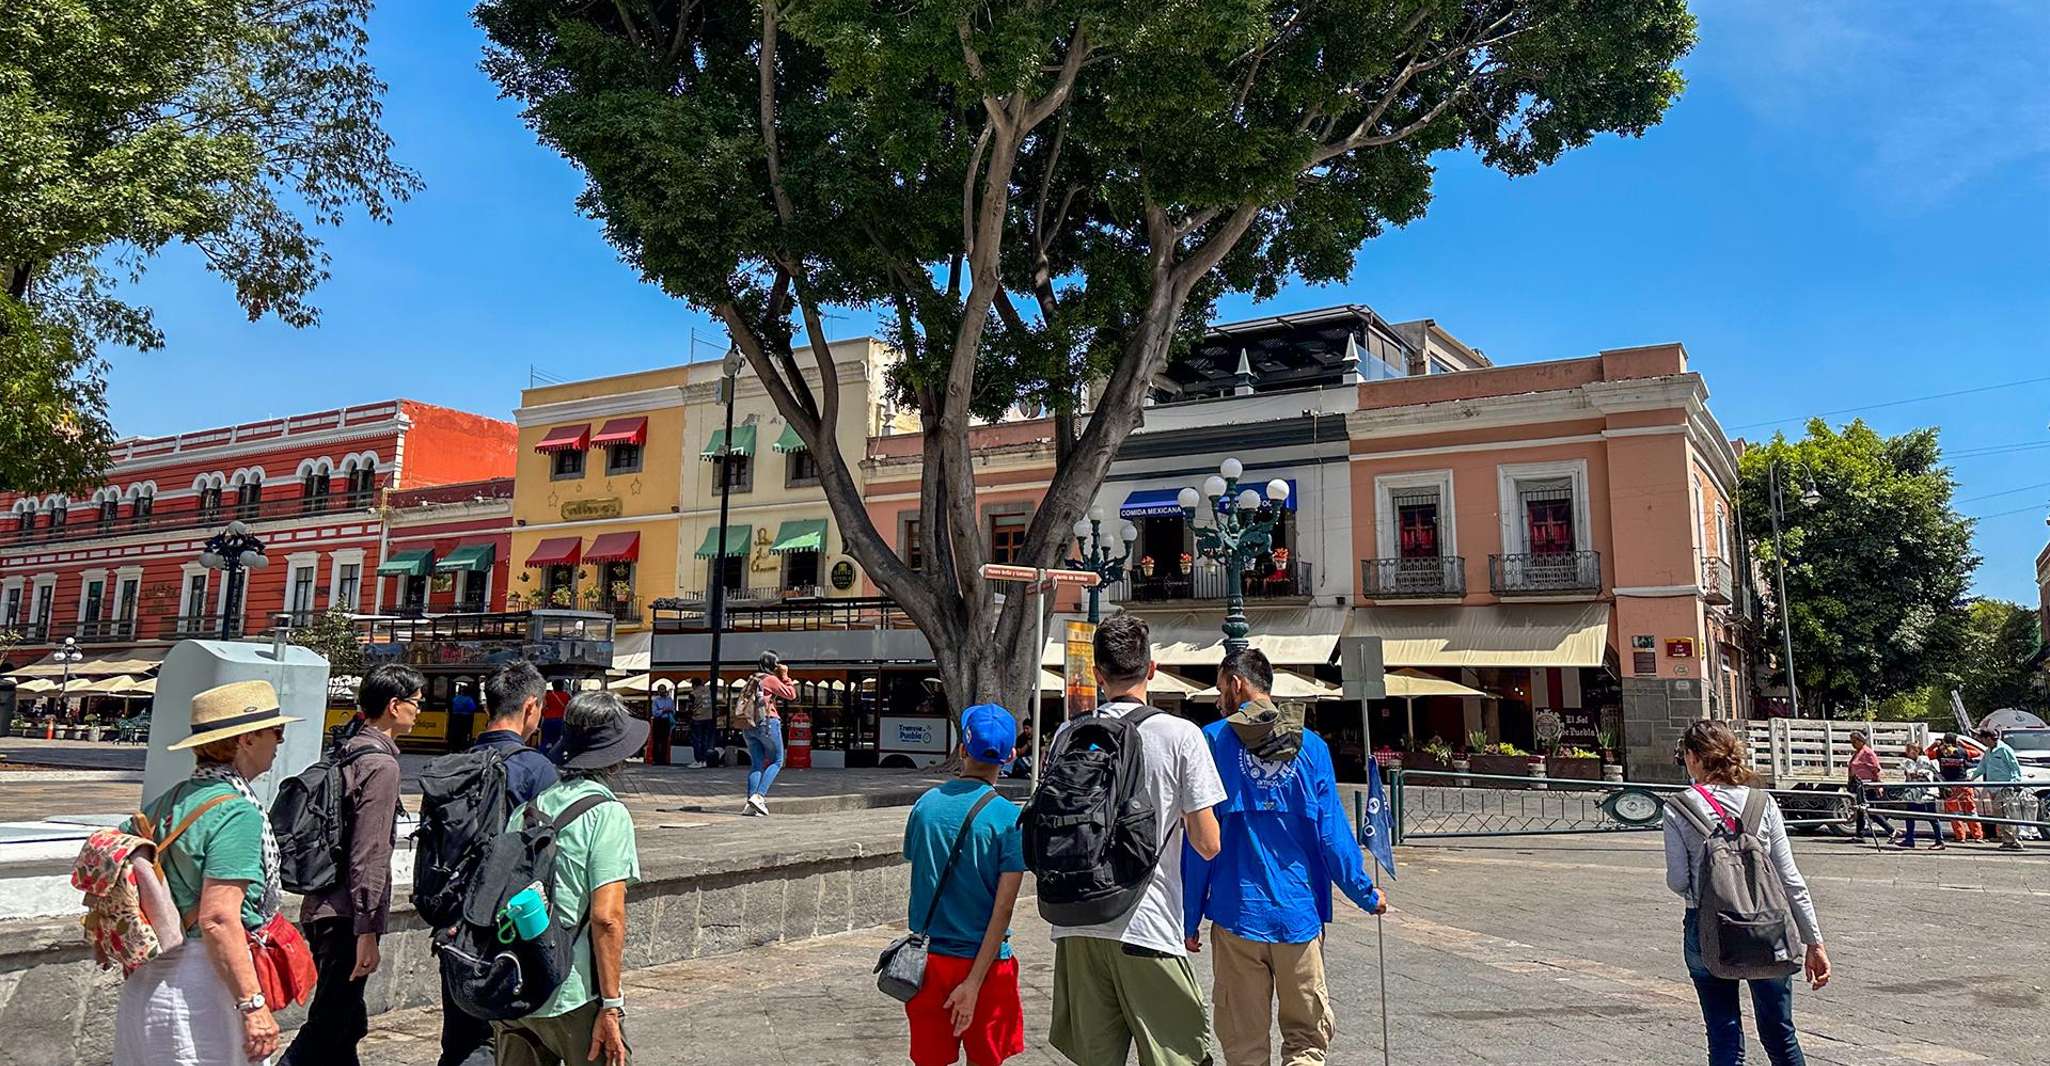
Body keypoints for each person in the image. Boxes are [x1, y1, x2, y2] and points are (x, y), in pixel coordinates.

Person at [1183, 648, 1386, 1066]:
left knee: (1244, 1046)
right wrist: (1366, 894)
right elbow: (1332, 836)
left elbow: (1200, 844)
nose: (1219, 700)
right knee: (1307, 1042)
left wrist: (1189, 917)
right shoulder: (1312, 748)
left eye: (1221, 689)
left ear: (1236, 684)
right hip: (1298, 916)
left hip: (1237, 914)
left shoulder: (1212, 742)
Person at [1047, 613, 1225, 1066]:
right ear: (1152, 668)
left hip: (1076, 923)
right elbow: (1208, 843)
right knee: (1178, 1057)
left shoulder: (1068, 735)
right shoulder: (1181, 735)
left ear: (1097, 674)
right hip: (1147, 925)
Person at [116, 679, 299, 1066]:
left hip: (149, 982)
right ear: (246, 739)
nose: (280, 741)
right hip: (203, 990)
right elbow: (218, 918)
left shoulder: (166, 802)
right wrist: (253, 1006)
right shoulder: (236, 813)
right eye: (275, 731)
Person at [495, 690, 646, 1066]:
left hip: (518, 988)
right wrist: (611, 1005)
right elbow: (607, 917)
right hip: (573, 993)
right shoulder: (607, 814)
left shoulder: (527, 811)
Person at [1666, 720, 1830, 1066]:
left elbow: (1679, 881)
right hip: (1768, 925)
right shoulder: (1762, 803)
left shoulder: (1679, 807)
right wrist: (1813, 942)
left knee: (1723, 1034)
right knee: (1780, 1035)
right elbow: (1789, 878)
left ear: (1693, 757)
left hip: (1706, 926)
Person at [283, 664, 421, 1066]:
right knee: (328, 1026)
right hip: (346, 917)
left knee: (345, 1026)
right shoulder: (381, 765)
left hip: (321, 905)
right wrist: (367, 929)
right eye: (415, 702)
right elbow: (369, 853)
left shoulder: (347, 749)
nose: (418, 710)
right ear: (394, 706)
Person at [436, 661, 562, 1066]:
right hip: (506, 929)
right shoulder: (537, 769)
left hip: (455, 926)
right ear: (530, 707)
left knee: (459, 1041)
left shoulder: (457, 764)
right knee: (505, 1042)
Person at [901, 704, 1028, 1066]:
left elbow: (915, 862)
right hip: (987, 967)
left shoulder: (925, 806)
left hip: (929, 963)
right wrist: (972, 984)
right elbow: (1003, 909)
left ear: (962, 750)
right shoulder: (1010, 819)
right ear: (1010, 756)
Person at [741, 652, 798, 816]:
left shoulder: (752, 678)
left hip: (748, 725)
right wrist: (785, 676)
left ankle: (750, 804)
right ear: (773, 664)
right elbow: (791, 694)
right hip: (767, 723)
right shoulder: (770, 679)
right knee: (777, 761)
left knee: (756, 764)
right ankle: (759, 797)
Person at [1968, 727, 2026, 851]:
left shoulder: (2004, 749)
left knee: (2006, 815)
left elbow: (2014, 767)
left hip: (2004, 788)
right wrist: (1972, 778)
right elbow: (1982, 767)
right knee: (2000, 816)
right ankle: (2008, 840)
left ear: (1988, 738)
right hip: (1993, 788)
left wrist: (2013, 784)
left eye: (1982, 738)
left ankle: (2013, 841)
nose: (1981, 740)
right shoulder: (1988, 751)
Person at [1893, 741, 1946, 851]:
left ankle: (1940, 841)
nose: (1908, 753)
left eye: (1910, 750)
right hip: (1914, 794)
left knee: (1932, 818)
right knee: (1909, 816)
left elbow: (1926, 775)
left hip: (1927, 794)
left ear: (1916, 751)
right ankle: (1909, 839)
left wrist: (1914, 774)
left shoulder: (1923, 760)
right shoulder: (1911, 762)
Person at [1934, 734, 1984, 842]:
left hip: (1949, 786)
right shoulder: (1962, 751)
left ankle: (1960, 837)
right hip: (1964, 784)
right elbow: (1977, 752)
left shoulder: (1939, 752)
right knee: (1971, 810)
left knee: (1954, 812)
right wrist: (1963, 744)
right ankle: (1978, 836)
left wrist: (1934, 745)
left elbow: (1926, 754)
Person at [1846, 731, 1892, 840]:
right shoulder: (1858, 752)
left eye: (1854, 741)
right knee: (1860, 811)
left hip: (1867, 786)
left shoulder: (1867, 752)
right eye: (1851, 742)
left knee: (1868, 811)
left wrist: (1877, 785)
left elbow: (1875, 769)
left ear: (1861, 741)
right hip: (1860, 785)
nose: (1852, 744)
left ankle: (1892, 830)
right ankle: (1859, 834)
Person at [689, 685, 720, 768]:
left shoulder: (693, 693)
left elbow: (690, 707)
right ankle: (704, 760)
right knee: (705, 740)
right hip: (708, 718)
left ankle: (698, 760)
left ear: (694, 685)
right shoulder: (708, 691)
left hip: (697, 718)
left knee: (697, 740)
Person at [648, 683, 677, 767]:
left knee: (665, 741)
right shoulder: (656, 700)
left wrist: (669, 710)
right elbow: (654, 713)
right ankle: (656, 759)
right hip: (658, 721)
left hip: (666, 721)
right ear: (658, 691)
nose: (662, 691)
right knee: (657, 740)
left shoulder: (670, 700)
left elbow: (673, 710)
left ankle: (664, 759)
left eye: (663, 689)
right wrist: (663, 710)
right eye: (660, 689)